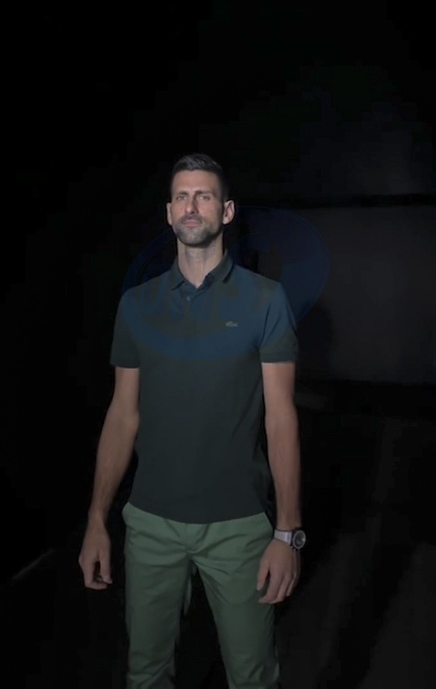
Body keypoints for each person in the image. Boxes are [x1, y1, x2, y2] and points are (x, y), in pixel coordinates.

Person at [79, 153, 306, 689]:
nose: (191, 206)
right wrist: (96, 519)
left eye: (204, 196)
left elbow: (281, 420)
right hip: (150, 525)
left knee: (252, 677)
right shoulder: (137, 305)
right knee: (145, 674)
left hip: (239, 527)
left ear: (226, 211)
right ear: (168, 212)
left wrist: (288, 532)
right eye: (181, 196)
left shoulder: (265, 300)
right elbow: (122, 415)